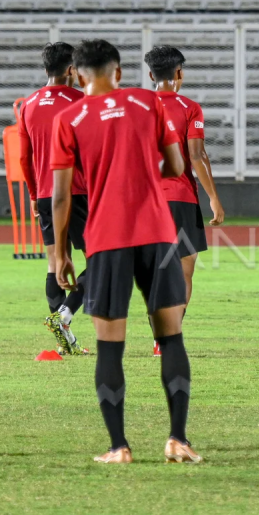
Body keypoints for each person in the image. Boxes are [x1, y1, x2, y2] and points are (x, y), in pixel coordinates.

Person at [50, 39, 200, 464]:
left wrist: (61, 252)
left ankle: (119, 447)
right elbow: (174, 166)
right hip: (157, 230)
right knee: (170, 336)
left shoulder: (70, 117)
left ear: (78, 76)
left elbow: (61, 197)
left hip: (106, 237)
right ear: (118, 73)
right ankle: (177, 440)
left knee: (110, 345)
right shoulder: (146, 103)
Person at [144, 45, 225, 356]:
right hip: (180, 199)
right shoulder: (190, 108)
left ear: (151, 74)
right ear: (179, 73)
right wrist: (214, 198)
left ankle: (158, 336)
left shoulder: (137, 107)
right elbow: (197, 155)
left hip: (145, 200)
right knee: (183, 272)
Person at [17, 42, 89, 355]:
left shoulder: (27, 105)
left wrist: (34, 195)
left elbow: (24, 157)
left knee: (54, 263)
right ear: (71, 69)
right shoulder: (79, 100)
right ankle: (65, 315)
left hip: (45, 193)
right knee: (99, 260)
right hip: (76, 191)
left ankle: (65, 344)